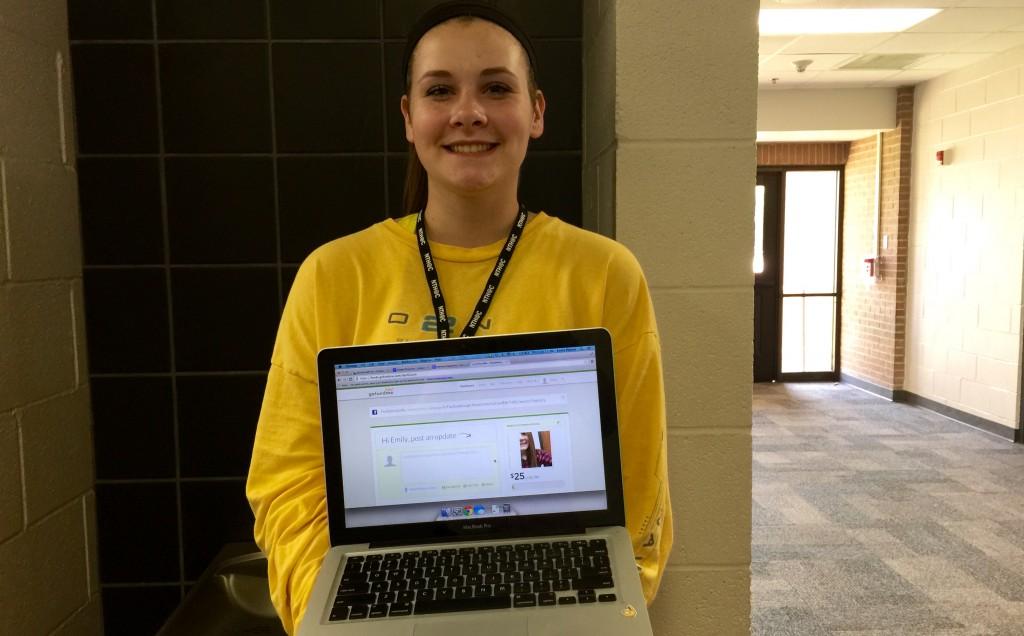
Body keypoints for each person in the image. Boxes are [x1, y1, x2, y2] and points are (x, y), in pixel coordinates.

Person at [246, 3, 672, 633]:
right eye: (439, 90)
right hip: (379, 586)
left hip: (555, 584)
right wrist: (344, 613)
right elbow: (286, 485)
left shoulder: (604, 274)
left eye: (496, 88)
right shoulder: (335, 276)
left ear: (536, 111)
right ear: (409, 118)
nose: (467, 111)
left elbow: (638, 494)